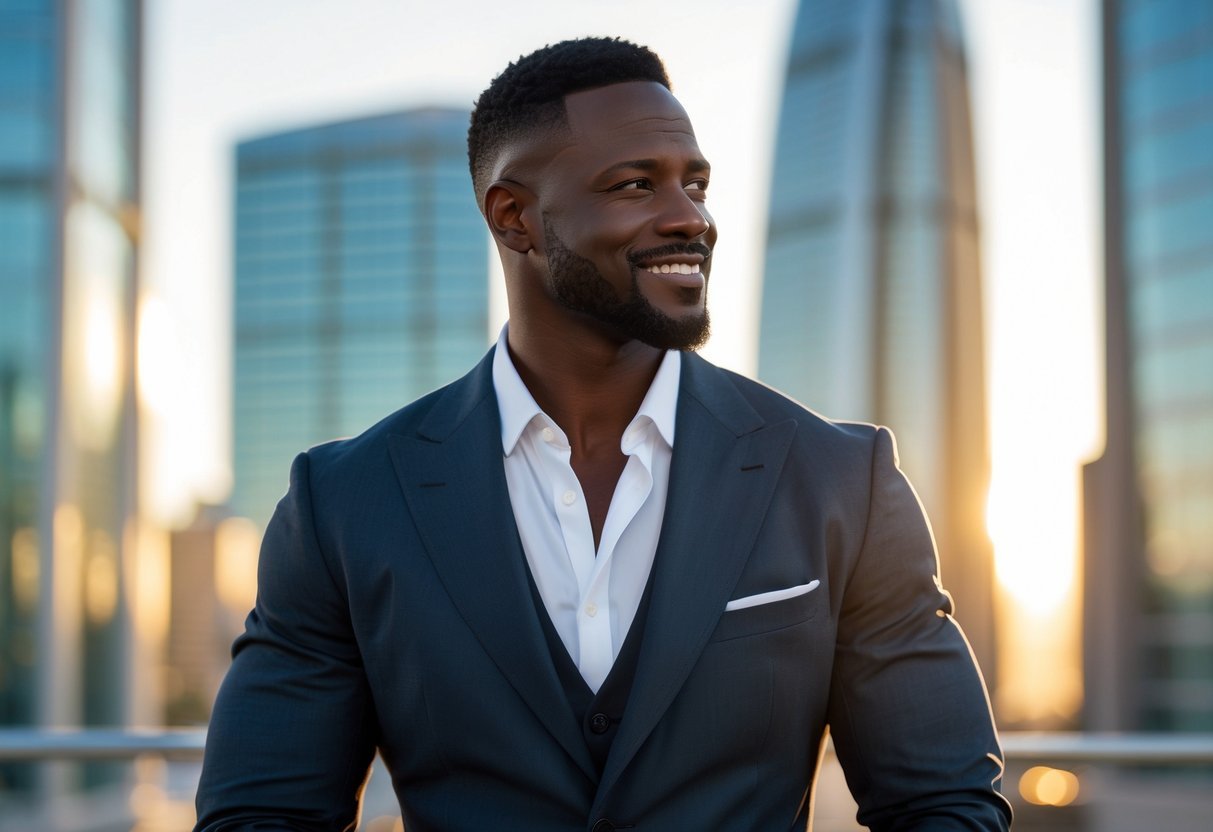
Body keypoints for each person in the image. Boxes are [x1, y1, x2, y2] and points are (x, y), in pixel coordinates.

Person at [195, 37, 1012, 832]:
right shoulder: (345, 502)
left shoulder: (840, 479)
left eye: (695, 183)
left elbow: (941, 804)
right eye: (634, 184)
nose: (689, 218)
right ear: (514, 217)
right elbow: (263, 812)